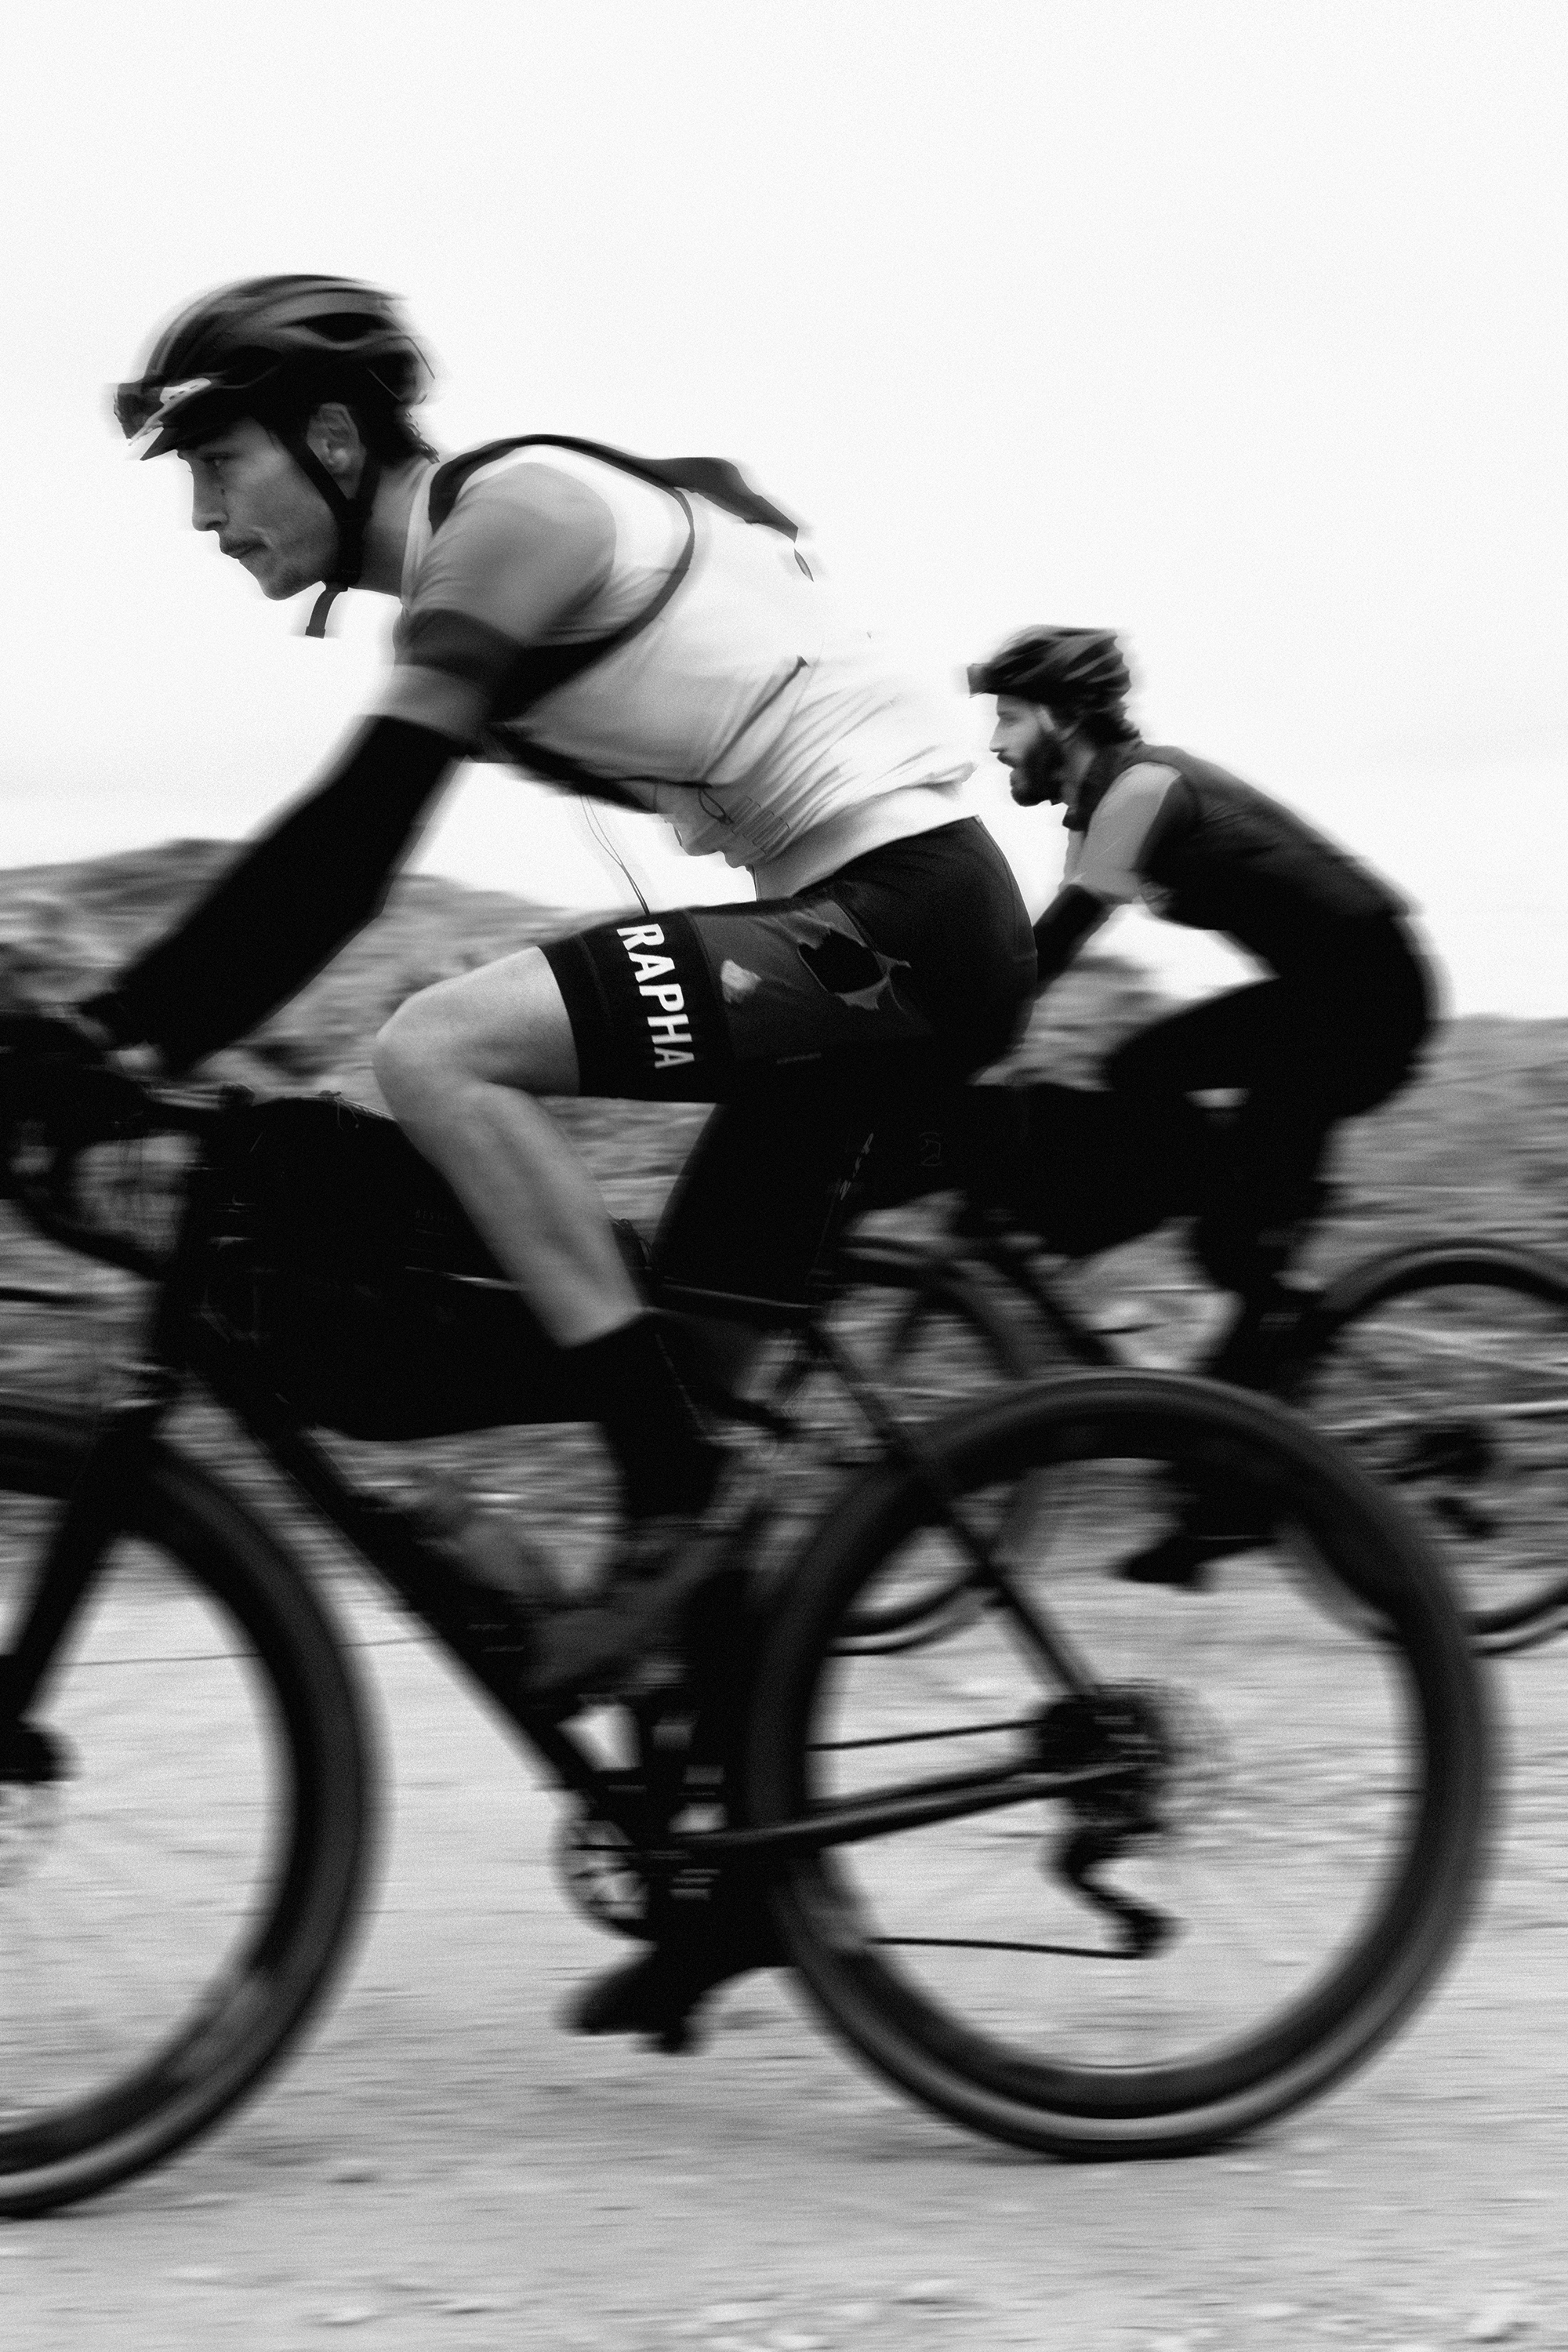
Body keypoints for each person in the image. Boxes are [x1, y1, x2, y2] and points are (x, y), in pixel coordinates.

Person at [89, 278, 1034, 1951]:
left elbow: (353, 838)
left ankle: (659, 1489)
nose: (204, 511)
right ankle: (742, 1879)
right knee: (684, 1351)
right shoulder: (505, 551)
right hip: (861, 943)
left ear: (330, 433)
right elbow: (727, 511)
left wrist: (116, 1027)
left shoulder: (504, 518)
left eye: (218, 459)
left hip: (901, 929)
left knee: (442, 1048)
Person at [969, 622, 1435, 1372]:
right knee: (1218, 1216)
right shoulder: (1108, 804)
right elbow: (1035, 955)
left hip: (1371, 998)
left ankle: (1260, 1383)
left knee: (1157, 1098)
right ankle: (1260, 1317)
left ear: (1063, 718)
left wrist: (956, 1043)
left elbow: (1054, 946)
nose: (994, 742)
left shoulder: (1144, 789)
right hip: (1335, 995)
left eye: (1009, 716)